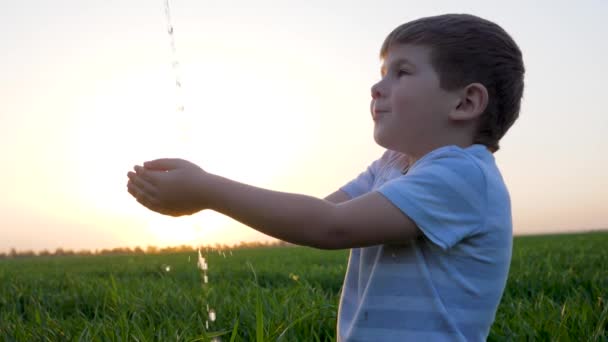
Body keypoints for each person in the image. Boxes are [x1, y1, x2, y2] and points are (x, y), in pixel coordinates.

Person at [127, 13, 524, 341]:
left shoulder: (463, 174)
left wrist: (206, 189)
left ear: (465, 102)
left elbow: (329, 227)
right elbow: (314, 216)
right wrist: (209, 189)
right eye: (382, 73)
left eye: (401, 73)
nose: (376, 87)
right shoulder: (391, 165)